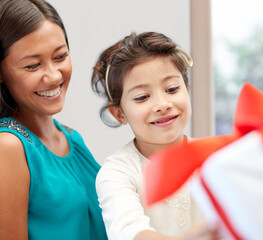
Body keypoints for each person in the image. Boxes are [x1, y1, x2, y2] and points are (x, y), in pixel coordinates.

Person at [0, 0, 108, 239]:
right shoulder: (7, 148)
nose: (53, 76)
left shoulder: (72, 138)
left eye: (60, 56)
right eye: (33, 65)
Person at [91, 32, 220, 240]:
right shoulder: (117, 172)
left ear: (186, 89)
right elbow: (130, 233)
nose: (162, 105)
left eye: (172, 89)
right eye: (142, 97)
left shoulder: (214, 156)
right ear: (119, 113)